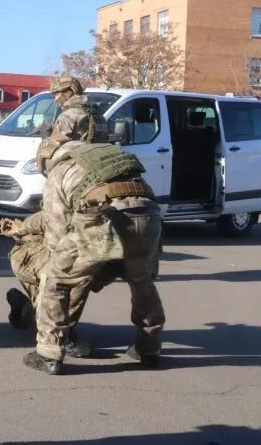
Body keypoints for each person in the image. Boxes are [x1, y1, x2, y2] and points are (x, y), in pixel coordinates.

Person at [24, 139, 165, 375]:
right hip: (147, 212)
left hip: (103, 215)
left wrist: (64, 263)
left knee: (56, 279)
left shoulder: (59, 170)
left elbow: (56, 231)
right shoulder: (102, 153)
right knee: (141, 281)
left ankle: (48, 354)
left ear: (46, 159)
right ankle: (149, 348)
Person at [0, 213, 119, 358]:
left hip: (53, 252)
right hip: (30, 253)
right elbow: (47, 216)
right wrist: (20, 229)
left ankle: (26, 308)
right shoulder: (77, 199)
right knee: (75, 273)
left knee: (73, 280)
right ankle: (61, 337)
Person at [48, 77, 108, 144]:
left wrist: (46, 137)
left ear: (68, 93)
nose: (56, 99)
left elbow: (55, 146)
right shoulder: (97, 113)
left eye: (57, 94)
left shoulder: (67, 116)